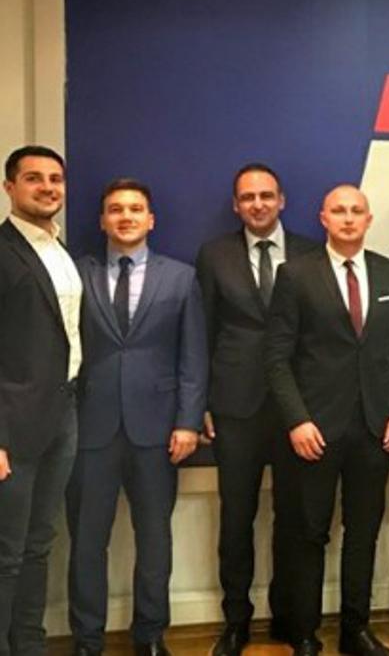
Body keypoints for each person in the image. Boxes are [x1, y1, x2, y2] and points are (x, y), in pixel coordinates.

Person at [265, 185, 389, 656]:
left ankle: (356, 632)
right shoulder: (296, 274)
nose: (348, 218)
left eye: (356, 211)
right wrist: (296, 420)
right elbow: (276, 358)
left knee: (363, 533)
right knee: (308, 534)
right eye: (339, 211)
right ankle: (305, 635)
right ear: (323, 218)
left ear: (369, 219)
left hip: (374, 429)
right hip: (315, 430)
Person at [67, 178, 208, 656]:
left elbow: (193, 358)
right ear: (102, 220)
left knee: (154, 541)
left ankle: (149, 635)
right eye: (115, 209)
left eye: (134, 209)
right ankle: (87, 639)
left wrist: (188, 422)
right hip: (90, 429)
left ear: (151, 220)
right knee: (88, 542)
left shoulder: (181, 278)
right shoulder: (76, 274)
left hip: (159, 430)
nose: (125, 216)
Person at [195, 163, 317, 654]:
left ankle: (290, 618)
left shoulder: (310, 251)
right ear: (236, 205)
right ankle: (236, 621)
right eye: (248, 197)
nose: (258, 204)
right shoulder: (214, 255)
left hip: (297, 408)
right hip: (235, 405)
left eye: (267, 195)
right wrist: (201, 402)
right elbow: (201, 332)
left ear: (282, 200)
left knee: (294, 518)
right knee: (236, 518)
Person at [0, 146, 81, 656]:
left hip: (62, 416)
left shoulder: (59, 249)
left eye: (55, 178)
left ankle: (28, 644)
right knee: (5, 553)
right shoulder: (3, 251)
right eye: (34, 178)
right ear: (10, 187)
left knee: (37, 545)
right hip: (11, 428)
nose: (47, 187)